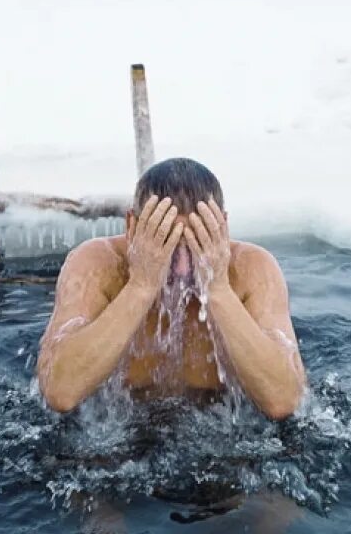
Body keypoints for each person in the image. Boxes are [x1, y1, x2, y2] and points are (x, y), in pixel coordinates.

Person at [37, 157, 306, 420]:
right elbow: (60, 392)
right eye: (164, 241)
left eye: (195, 242)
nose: (181, 268)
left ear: (221, 228)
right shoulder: (98, 265)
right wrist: (141, 285)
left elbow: (284, 400)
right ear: (132, 227)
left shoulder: (251, 270)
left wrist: (219, 288)